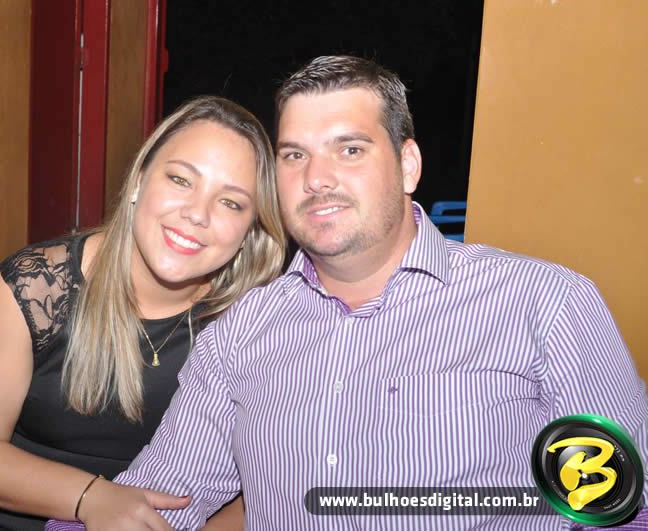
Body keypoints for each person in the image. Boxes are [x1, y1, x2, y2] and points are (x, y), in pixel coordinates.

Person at [47, 55, 648, 530]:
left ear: (408, 165)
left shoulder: (544, 304)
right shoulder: (243, 331)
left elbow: (625, 505)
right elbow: (157, 500)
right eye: (294, 155)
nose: (317, 178)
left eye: (350, 149)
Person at [0, 95, 286, 530]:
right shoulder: (37, 289)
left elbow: (270, 483)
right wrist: (90, 498)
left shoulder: (257, 325)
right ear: (138, 180)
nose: (197, 214)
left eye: (231, 202)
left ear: (251, 229)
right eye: (180, 179)